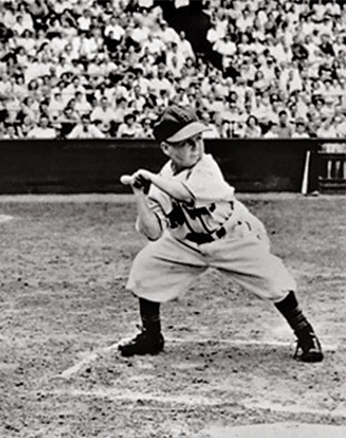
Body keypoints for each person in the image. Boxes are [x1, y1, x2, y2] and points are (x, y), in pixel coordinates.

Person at [118, 105, 323, 363]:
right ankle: (151, 335)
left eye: (198, 139)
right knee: (145, 267)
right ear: (166, 148)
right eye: (186, 142)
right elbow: (153, 232)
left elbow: (186, 194)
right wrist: (140, 195)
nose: (196, 146)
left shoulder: (207, 167)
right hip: (186, 244)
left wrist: (150, 178)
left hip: (230, 236)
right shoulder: (161, 180)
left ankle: (305, 334)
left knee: (274, 279)